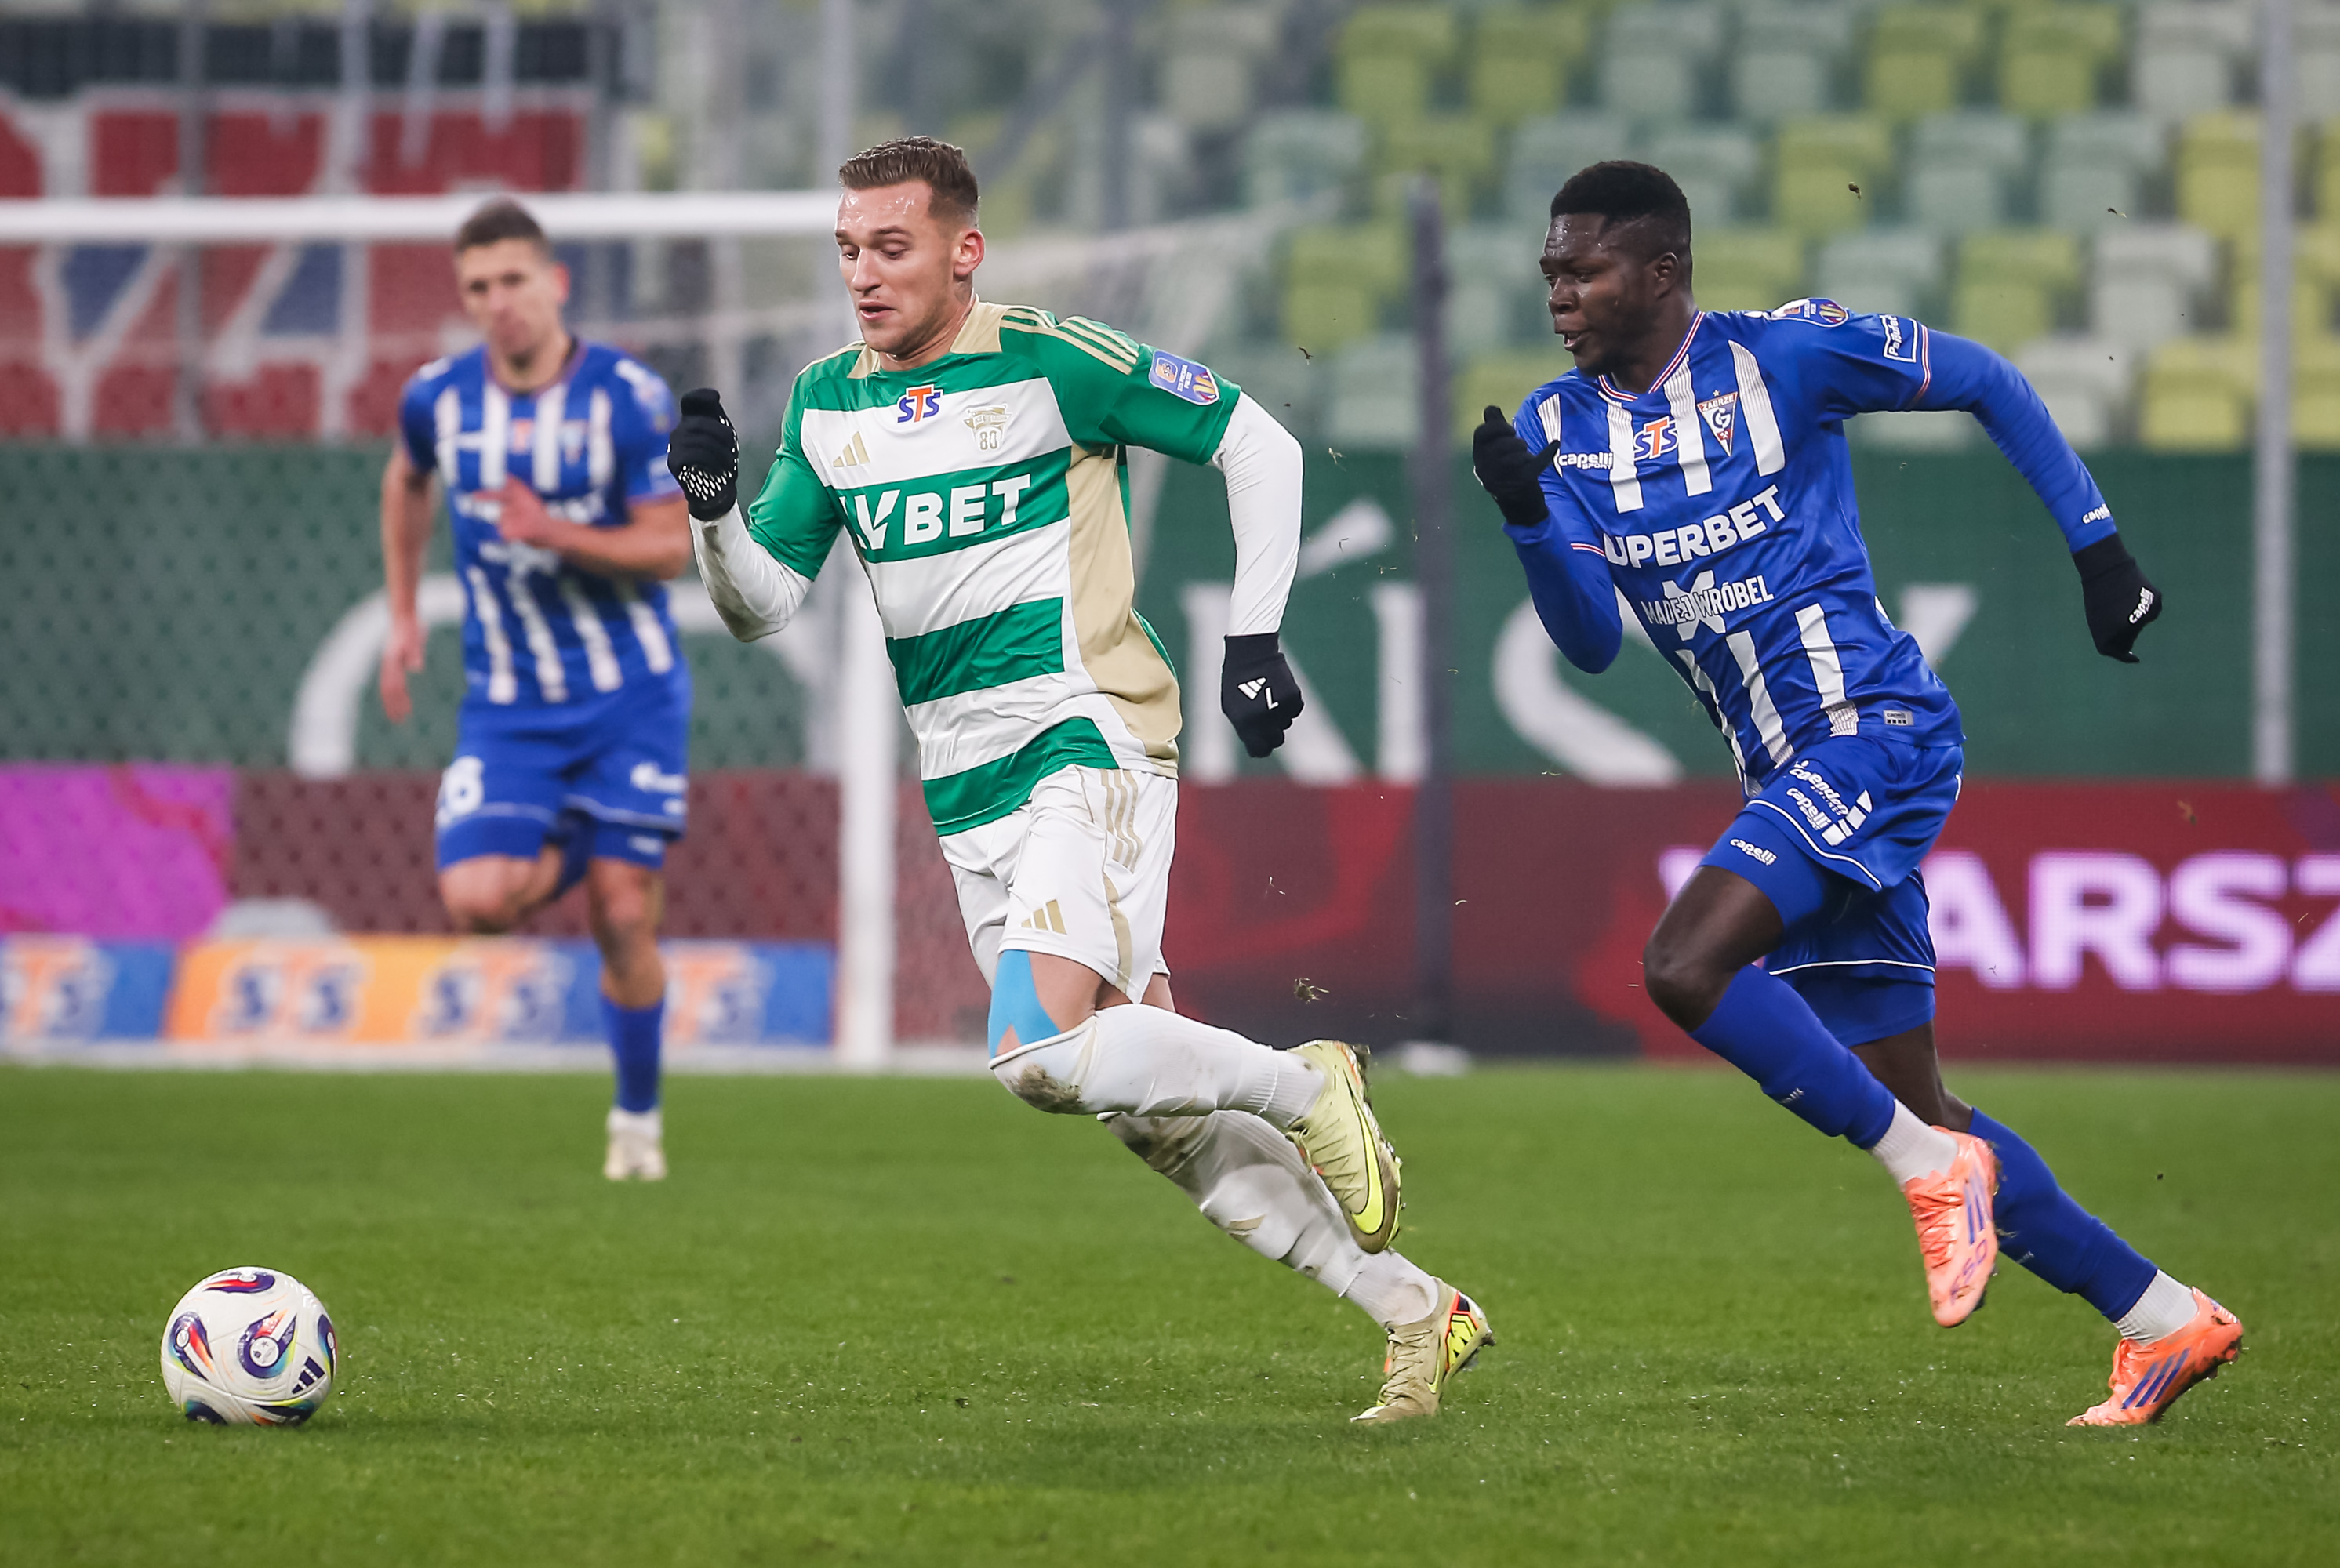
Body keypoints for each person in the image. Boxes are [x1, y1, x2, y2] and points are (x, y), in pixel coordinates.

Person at [667, 136, 1490, 1422]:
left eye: (890, 248)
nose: (863, 274)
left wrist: (1254, 638)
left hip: (1084, 735)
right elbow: (762, 607)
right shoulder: (825, 404)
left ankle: (1307, 1080)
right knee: (1151, 1114)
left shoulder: (1053, 360)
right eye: (847, 250)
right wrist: (713, 515)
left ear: (963, 252)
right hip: (966, 789)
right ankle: (1414, 1310)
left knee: (1031, 1054)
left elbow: (1255, 443)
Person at [1471, 161, 2240, 1428]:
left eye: (1583, 270)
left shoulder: (1784, 358)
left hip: (1872, 732)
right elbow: (1590, 643)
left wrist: (2097, 549)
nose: (1557, 292)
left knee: (1681, 966)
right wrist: (1522, 520)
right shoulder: (1558, 430)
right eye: (1549, 270)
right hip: (1784, 768)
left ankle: (1929, 1173)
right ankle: (2161, 1317)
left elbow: (1983, 379)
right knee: (1913, 1104)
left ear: (1660, 272)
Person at [380, 198, 692, 1181]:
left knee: (622, 915)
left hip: (628, 696)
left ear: (554, 283)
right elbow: (405, 480)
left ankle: (635, 1121)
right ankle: (591, 830)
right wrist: (401, 612)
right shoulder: (437, 398)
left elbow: (669, 547)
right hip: (510, 704)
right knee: (476, 898)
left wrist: (553, 529)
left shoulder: (626, 396)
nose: (497, 301)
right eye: (478, 286)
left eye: (513, 279)